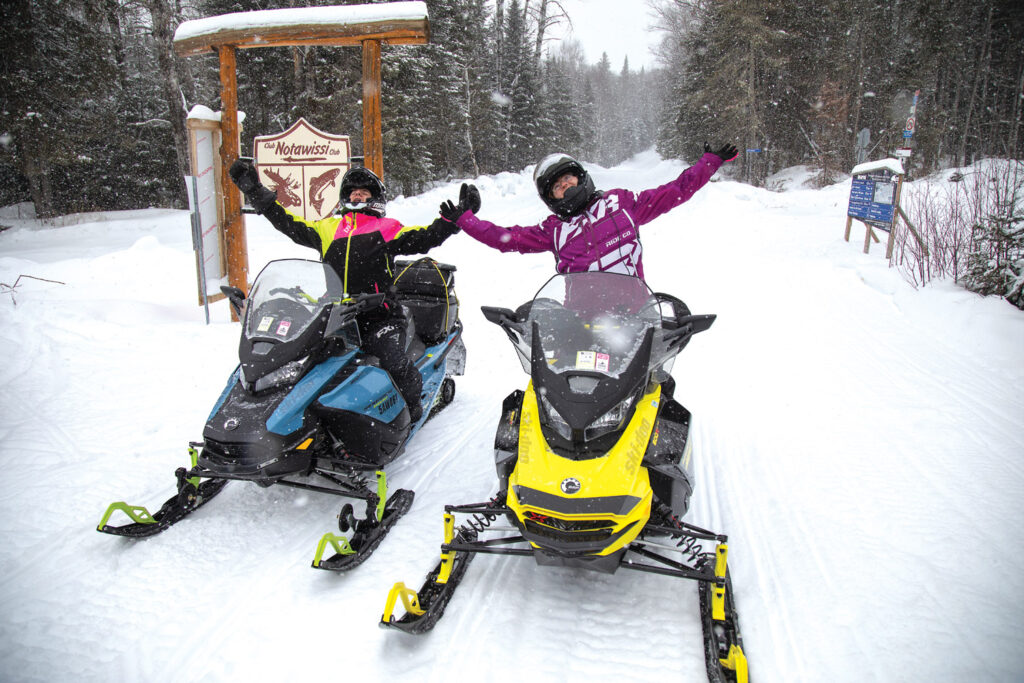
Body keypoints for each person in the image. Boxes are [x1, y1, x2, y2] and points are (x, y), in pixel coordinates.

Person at [230, 160, 476, 423]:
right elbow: (287, 222)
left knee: (392, 361)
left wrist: (454, 221)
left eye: (364, 191)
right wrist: (255, 191)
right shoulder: (327, 228)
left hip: (379, 315)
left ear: (375, 198)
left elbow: (425, 237)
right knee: (297, 360)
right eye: (353, 191)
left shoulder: (387, 228)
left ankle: (413, 406)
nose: (357, 194)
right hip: (335, 316)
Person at [439, 142, 738, 281]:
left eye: (568, 178)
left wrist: (708, 163)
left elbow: (674, 192)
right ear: (550, 197)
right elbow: (506, 238)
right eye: (557, 186)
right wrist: (465, 220)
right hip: (578, 321)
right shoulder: (554, 230)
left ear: (581, 177)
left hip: (633, 312)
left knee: (656, 382)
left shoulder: (622, 203)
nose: (565, 186)